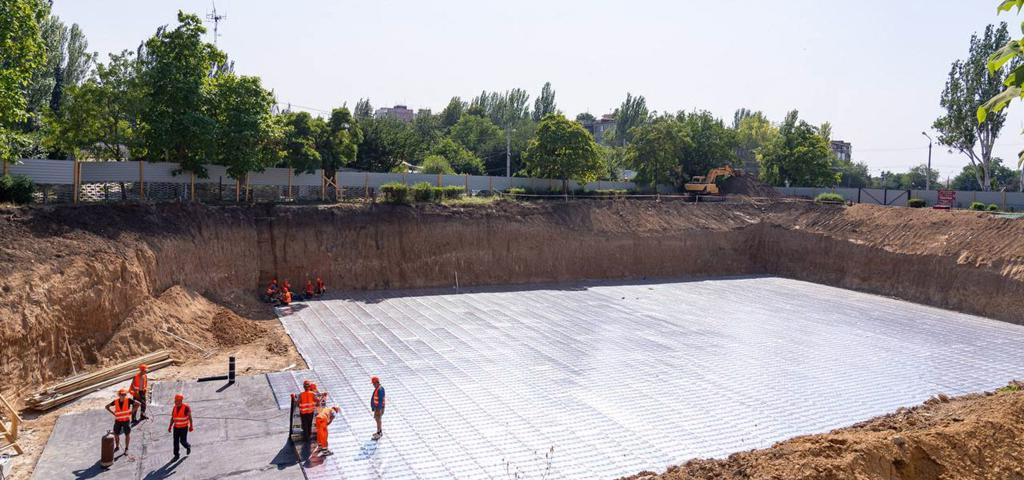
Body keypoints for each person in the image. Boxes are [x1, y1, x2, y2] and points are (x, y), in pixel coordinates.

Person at [105, 389, 135, 453]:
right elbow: (107, 407)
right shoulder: (115, 401)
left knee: (127, 435)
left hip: (126, 421)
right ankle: (117, 446)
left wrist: (132, 412)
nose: (123, 396)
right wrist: (113, 413)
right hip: (118, 421)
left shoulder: (128, 400)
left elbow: (138, 404)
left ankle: (126, 449)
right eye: (122, 394)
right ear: (119, 395)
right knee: (116, 434)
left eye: (124, 394)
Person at [168, 393, 193, 460]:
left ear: (181, 401)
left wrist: (191, 426)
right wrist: (170, 426)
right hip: (176, 428)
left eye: (177, 401)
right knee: (175, 442)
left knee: (182, 441)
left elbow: (190, 417)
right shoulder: (174, 408)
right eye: (175, 401)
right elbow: (173, 418)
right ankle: (176, 455)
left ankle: (187, 446)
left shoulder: (186, 408)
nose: (176, 402)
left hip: (184, 428)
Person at [370, 376, 385, 441]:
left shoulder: (380, 389)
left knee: (378, 420)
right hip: (377, 408)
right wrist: (374, 408)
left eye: (373, 383)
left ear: (376, 382)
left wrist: (378, 410)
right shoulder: (377, 388)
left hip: (379, 408)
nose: (373, 385)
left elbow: (380, 400)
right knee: (377, 419)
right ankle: (379, 431)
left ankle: (379, 433)